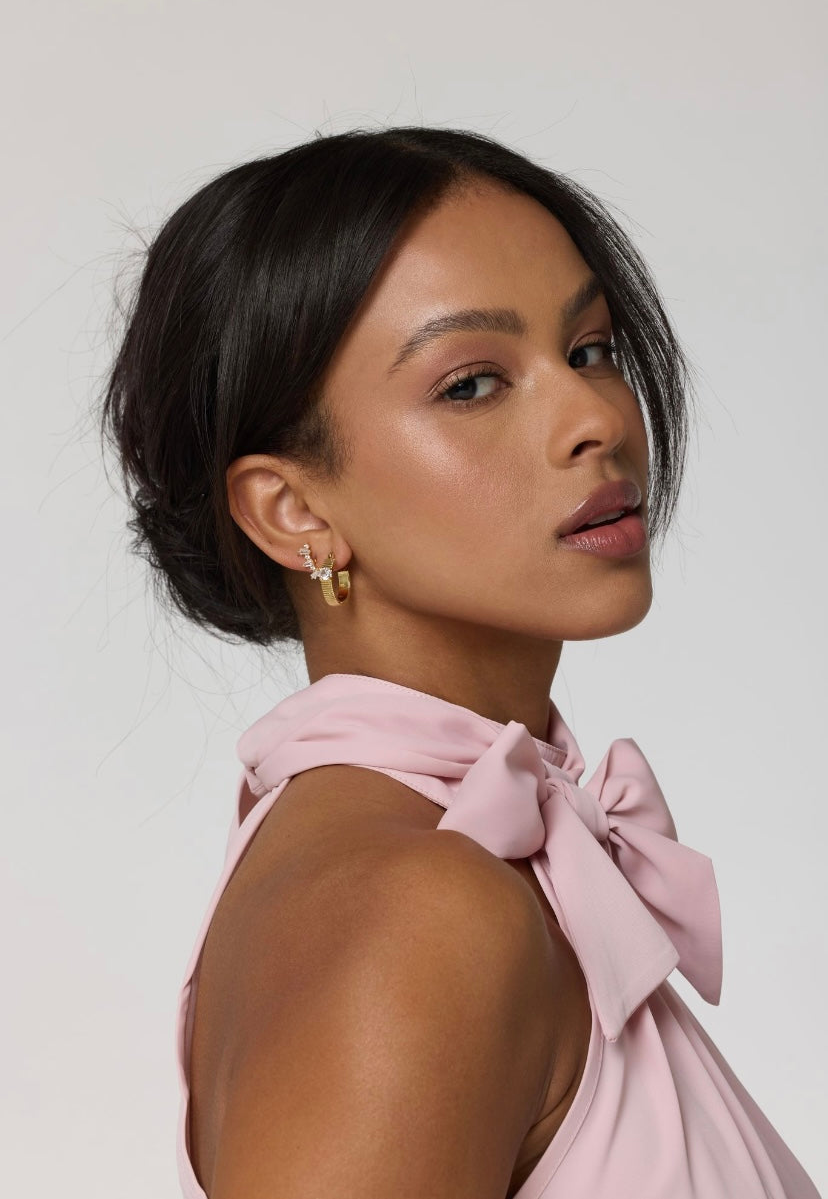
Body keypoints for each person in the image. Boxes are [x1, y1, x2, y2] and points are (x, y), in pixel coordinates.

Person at [97, 126, 821, 1198]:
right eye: (473, 384)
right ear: (293, 509)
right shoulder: (421, 907)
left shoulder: (443, 855)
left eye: (590, 349)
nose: (594, 419)